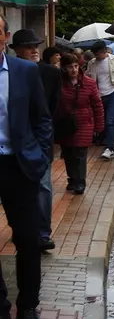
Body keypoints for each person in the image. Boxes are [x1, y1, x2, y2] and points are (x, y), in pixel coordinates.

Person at [0, 12, 52, 319]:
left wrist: (42, 158)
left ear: (5, 37)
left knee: (29, 239)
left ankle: (28, 308)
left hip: (18, 165)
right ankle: (1, 309)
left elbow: (42, 119)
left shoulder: (25, 71)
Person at [9, 30, 61, 253]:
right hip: (11, 145)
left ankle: (42, 233)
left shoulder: (50, 74)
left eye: (36, 46)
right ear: (16, 49)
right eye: (29, 46)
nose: (34, 50)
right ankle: (21, 229)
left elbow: (51, 111)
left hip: (37, 143)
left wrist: (42, 144)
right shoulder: (9, 72)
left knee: (43, 187)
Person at [55, 52, 104, 195]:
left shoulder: (89, 83)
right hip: (65, 123)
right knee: (68, 152)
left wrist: (99, 125)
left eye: (76, 66)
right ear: (64, 68)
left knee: (80, 153)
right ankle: (72, 179)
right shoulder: (59, 83)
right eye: (70, 67)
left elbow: (97, 105)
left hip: (84, 122)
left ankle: (80, 182)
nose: (74, 70)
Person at [86, 40, 114, 159]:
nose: (97, 57)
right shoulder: (92, 63)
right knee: (102, 120)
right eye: (95, 54)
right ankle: (103, 141)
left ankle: (110, 148)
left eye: (98, 54)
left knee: (110, 120)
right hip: (98, 94)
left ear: (105, 51)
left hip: (113, 92)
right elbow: (88, 76)